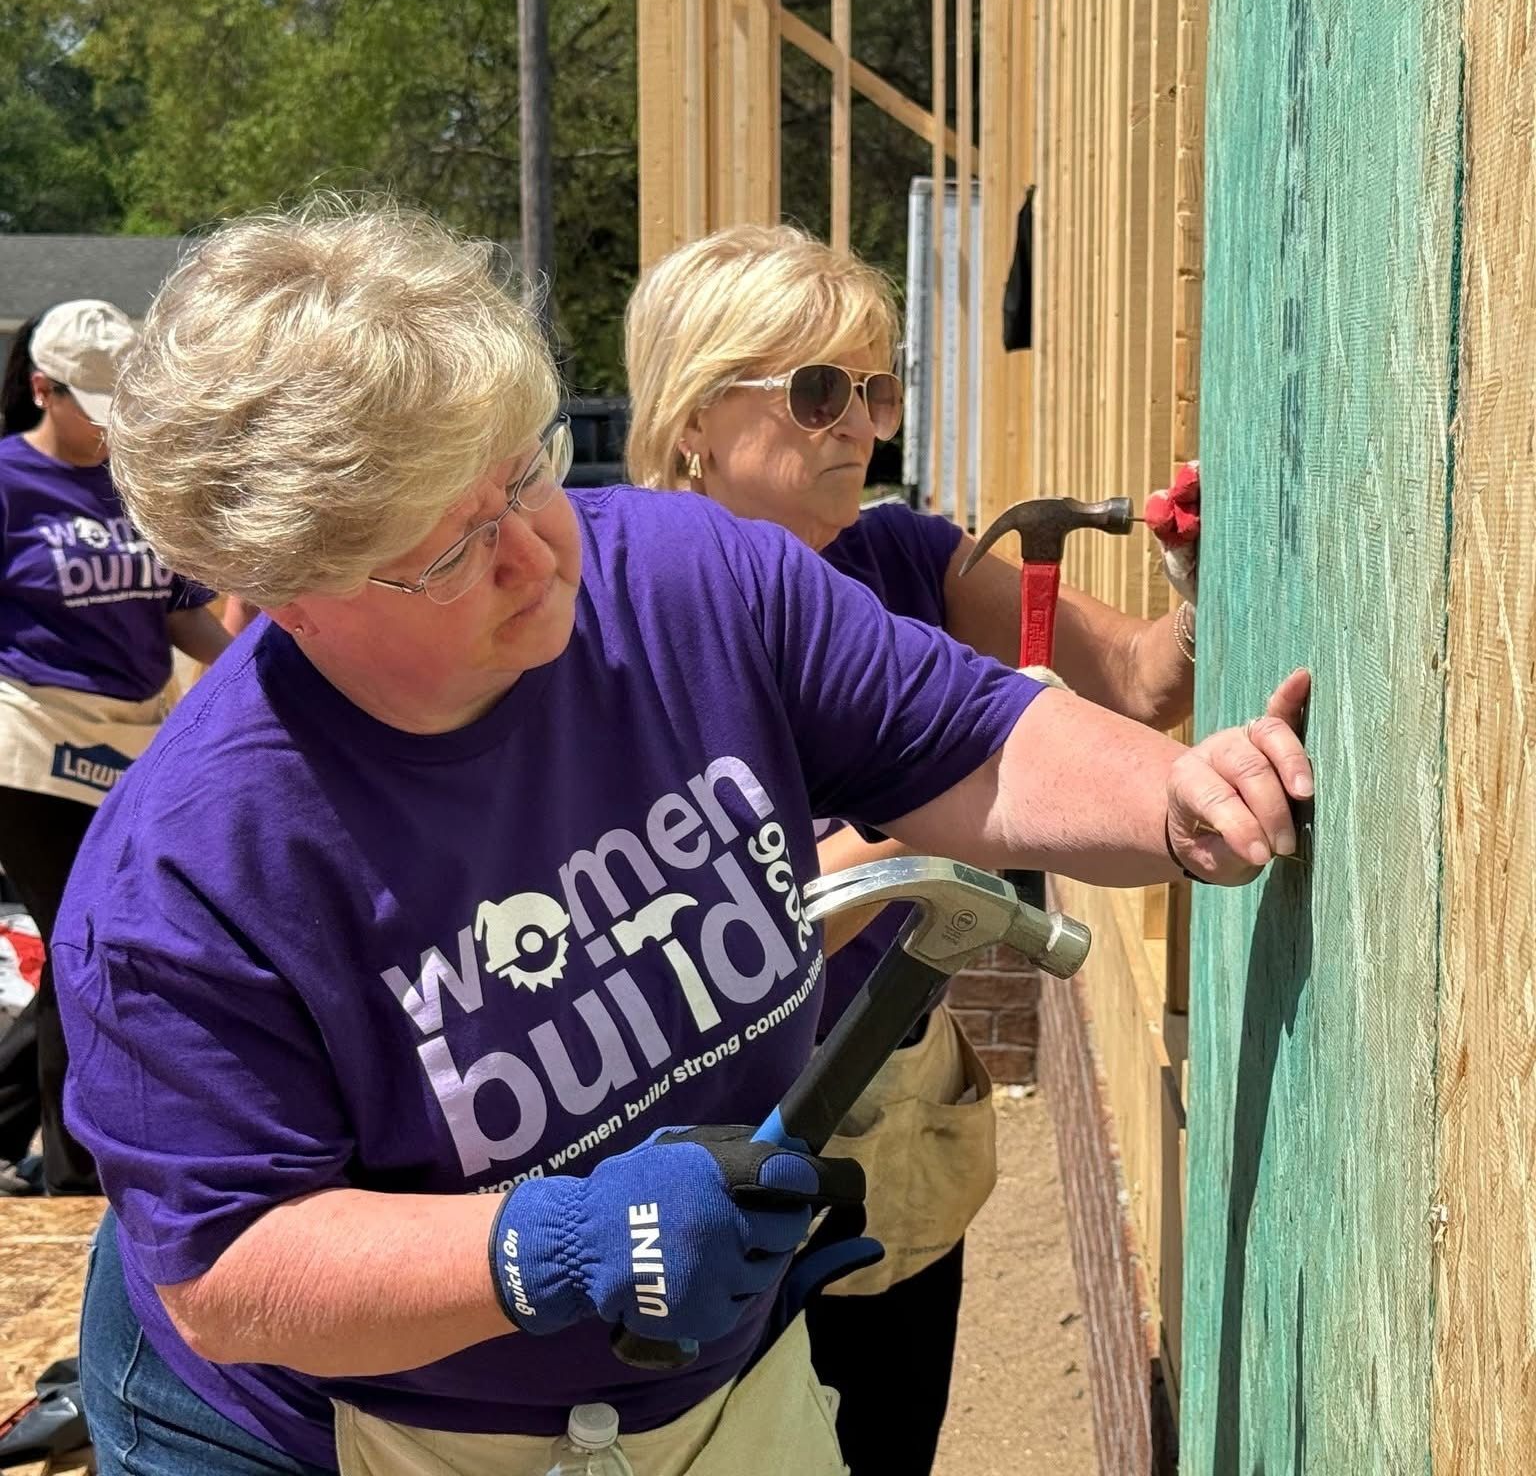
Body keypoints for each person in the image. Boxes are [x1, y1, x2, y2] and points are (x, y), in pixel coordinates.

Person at [54, 197, 1310, 1476]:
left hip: (684, 1376)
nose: (537, 555)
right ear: (289, 596)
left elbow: (971, 739)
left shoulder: (688, 581)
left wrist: (1174, 800)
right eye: (452, 550)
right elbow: (233, 1270)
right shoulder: (191, 873)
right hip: (328, 1425)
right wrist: (554, 1245)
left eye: (525, 475)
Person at [622, 223, 1203, 1476]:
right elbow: (706, 933)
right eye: (817, 393)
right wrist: (967, 789)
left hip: (890, 1120)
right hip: (705, 1136)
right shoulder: (620, 625)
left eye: (876, 392)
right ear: (693, 417)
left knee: (885, 1445)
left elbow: (1141, 685)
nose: (860, 428)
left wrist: (1201, 588)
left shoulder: (905, 559)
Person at [0, 300, 230, 1197]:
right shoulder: (9, 482)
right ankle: (76, 1172)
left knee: (87, 944)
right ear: (41, 388)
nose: (106, 428)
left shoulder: (138, 482)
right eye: (91, 406)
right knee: (87, 939)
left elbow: (181, 611)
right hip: (31, 741)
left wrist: (265, 667)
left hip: (132, 742)